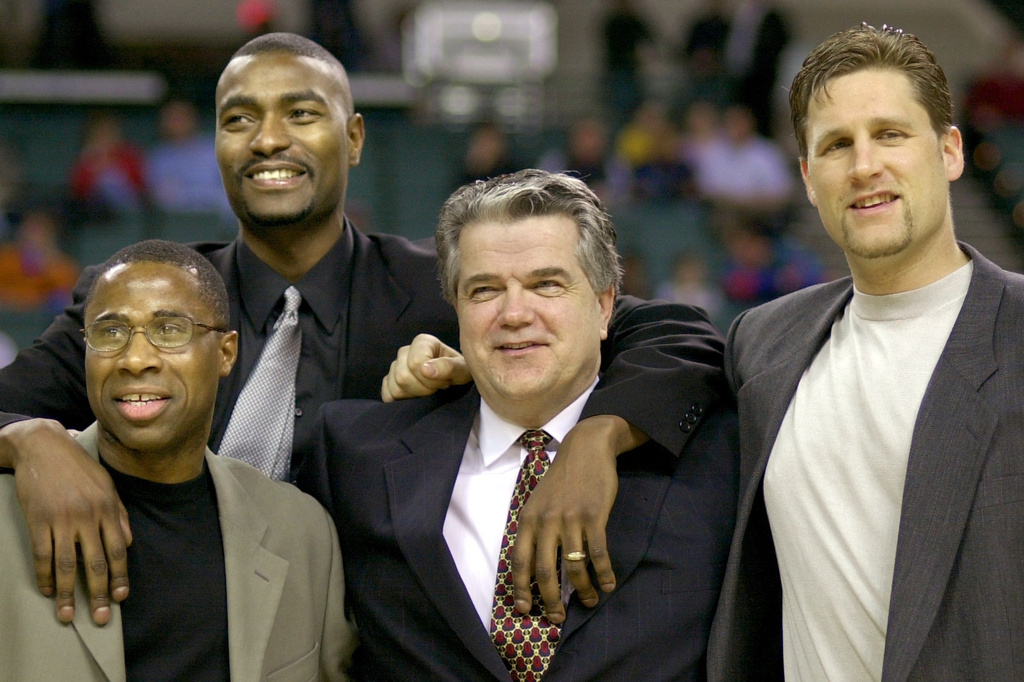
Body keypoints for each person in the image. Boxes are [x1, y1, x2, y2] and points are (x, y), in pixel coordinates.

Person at [0, 32, 726, 627]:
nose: (268, 140)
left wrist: (598, 438)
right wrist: (33, 438)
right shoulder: (147, 298)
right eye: (239, 118)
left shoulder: (449, 294)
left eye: (301, 114)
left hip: (361, 648)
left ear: (353, 139)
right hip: (165, 629)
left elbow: (678, 339)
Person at [302, 170, 737, 680]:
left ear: (603, 307)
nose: (513, 313)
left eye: (546, 284)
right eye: (484, 290)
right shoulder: (356, 456)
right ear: (456, 309)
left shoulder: (718, 453)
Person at [707, 24, 1024, 680]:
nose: (864, 165)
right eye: (836, 145)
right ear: (808, 178)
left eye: (890, 133)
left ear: (950, 151)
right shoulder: (763, 343)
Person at [0, 239, 354, 680]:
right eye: (110, 332)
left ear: (226, 353)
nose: (136, 359)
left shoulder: (304, 533)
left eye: (170, 330)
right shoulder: (9, 505)